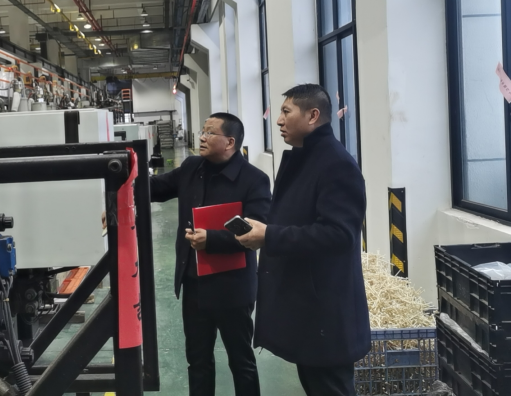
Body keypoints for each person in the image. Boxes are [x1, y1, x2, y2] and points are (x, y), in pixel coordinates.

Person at [237, 84, 370, 396]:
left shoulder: (335, 164)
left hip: (326, 310)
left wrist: (269, 235)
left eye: (286, 112)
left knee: (330, 387)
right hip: (310, 309)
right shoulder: (307, 159)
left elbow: (339, 234)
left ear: (312, 116)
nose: (279, 120)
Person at [150, 112, 271, 396]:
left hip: (233, 288)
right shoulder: (192, 167)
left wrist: (212, 239)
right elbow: (156, 188)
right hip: (195, 285)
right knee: (198, 361)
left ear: (230, 142)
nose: (202, 137)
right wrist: (122, 185)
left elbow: (256, 233)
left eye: (209, 132)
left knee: (241, 362)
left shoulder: (254, 180)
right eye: (202, 131)